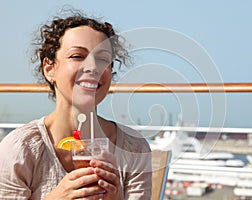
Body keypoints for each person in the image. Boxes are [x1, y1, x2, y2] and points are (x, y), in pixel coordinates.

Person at [0, 9, 152, 200]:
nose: (92, 67)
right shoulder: (20, 149)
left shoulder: (134, 148)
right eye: (77, 56)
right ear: (49, 69)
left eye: (103, 59)